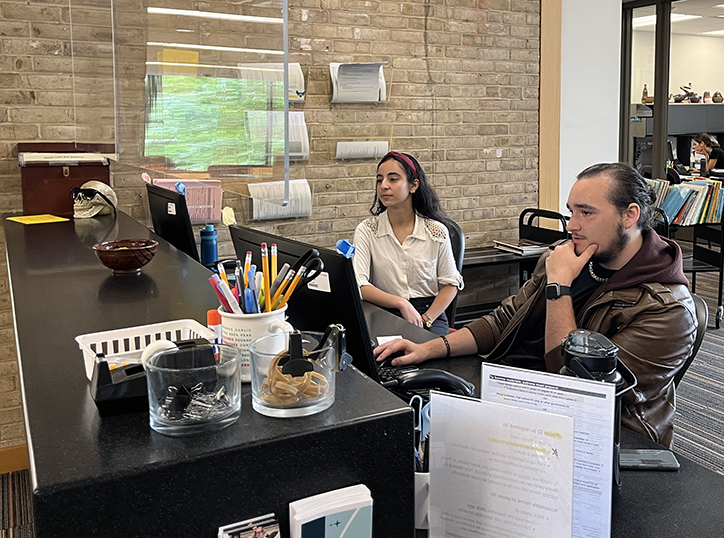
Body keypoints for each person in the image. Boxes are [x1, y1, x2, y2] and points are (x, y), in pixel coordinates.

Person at [375, 162, 697, 449]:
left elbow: (579, 391)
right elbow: (506, 318)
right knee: (399, 422)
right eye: (572, 211)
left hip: (589, 437)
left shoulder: (667, 309)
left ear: (629, 215)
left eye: (586, 213)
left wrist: (559, 288)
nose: (571, 225)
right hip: (518, 392)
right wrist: (431, 347)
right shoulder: (569, 255)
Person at [352, 151, 464, 336]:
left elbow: (450, 284)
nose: (384, 186)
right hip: (383, 310)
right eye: (380, 180)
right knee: (387, 358)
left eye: (393, 179)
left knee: (427, 355)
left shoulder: (436, 231)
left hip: (429, 313)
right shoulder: (367, 230)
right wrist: (401, 303)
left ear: (413, 185)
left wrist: (426, 319)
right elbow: (360, 285)